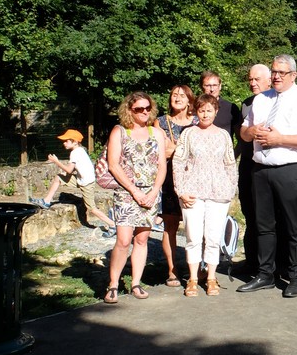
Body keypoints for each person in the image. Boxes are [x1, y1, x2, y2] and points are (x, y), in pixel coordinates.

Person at [238, 54, 297, 298]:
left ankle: (296, 277)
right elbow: (243, 132)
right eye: (274, 71)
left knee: (293, 225)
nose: (276, 76)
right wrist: (251, 131)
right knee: (263, 225)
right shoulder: (261, 100)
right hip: (261, 169)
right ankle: (266, 274)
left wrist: (280, 139)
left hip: (288, 169)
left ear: (293, 75)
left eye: (281, 73)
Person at [103, 92, 167, 303]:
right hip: (126, 192)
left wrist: (155, 191)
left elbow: (162, 166)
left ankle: (136, 283)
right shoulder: (119, 132)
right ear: (129, 110)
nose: (144, 112)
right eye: (139, 109)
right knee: (123, 240)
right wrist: (134, 191)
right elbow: (114, 165)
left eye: (147, 108)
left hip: (150, 193)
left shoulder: (156, 133)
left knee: (142, 239)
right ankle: (113, 284)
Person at [173, 94, 238, 297]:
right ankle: (193, 278)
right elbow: (178, 161)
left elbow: (230, 163)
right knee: (193, 236)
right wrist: (181, 190)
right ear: (195, 111)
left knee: (212, 237)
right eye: (201, 110)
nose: (205, 114)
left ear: (216, 112)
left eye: (209, 110)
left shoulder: (223, 135)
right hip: (192, 193)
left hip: (218, 193)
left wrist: (230, 188)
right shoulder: (188, 134)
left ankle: (211, 277)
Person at [30, 129, 115, 231]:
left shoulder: (75, 153)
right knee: (59, 177)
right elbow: (75, 167)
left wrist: (56, 161)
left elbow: (69, 170)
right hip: (82, 179)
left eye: (66, 141)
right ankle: (46, 201)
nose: (64, 143)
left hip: (86, 183)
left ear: (74, 142)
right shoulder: (80, 150)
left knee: (92, 208)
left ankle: (112, 224)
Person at [156, 85, 197, 287]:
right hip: (169, 181)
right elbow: (159, 152)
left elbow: (200, 153)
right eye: (174, 94)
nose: (177, 98)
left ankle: (196, 270)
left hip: (194, 180)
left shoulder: (198, 122)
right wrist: (183, 151)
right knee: (170, 225)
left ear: (190, 100)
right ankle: (172, 270)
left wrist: (175, 150)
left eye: (182, 95)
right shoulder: (161, 122)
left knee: (196, 226)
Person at [237, 64, 272, 275]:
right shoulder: (246, 104)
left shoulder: (277, 101)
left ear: (269, 80)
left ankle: (273, 264)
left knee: (269, 217)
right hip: (248, 165)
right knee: (249, 213)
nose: (252, 83)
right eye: (250, 79)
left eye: (257, 79)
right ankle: (252, 261)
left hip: (268, 165)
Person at [201, 70, 242, 149]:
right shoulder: (195, 108)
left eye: (215, 85)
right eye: (208, 85)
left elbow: (240, 139)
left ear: (220, 86)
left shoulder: (231, 108)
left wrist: (233, 156)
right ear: (201, 86)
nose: (212, 89)